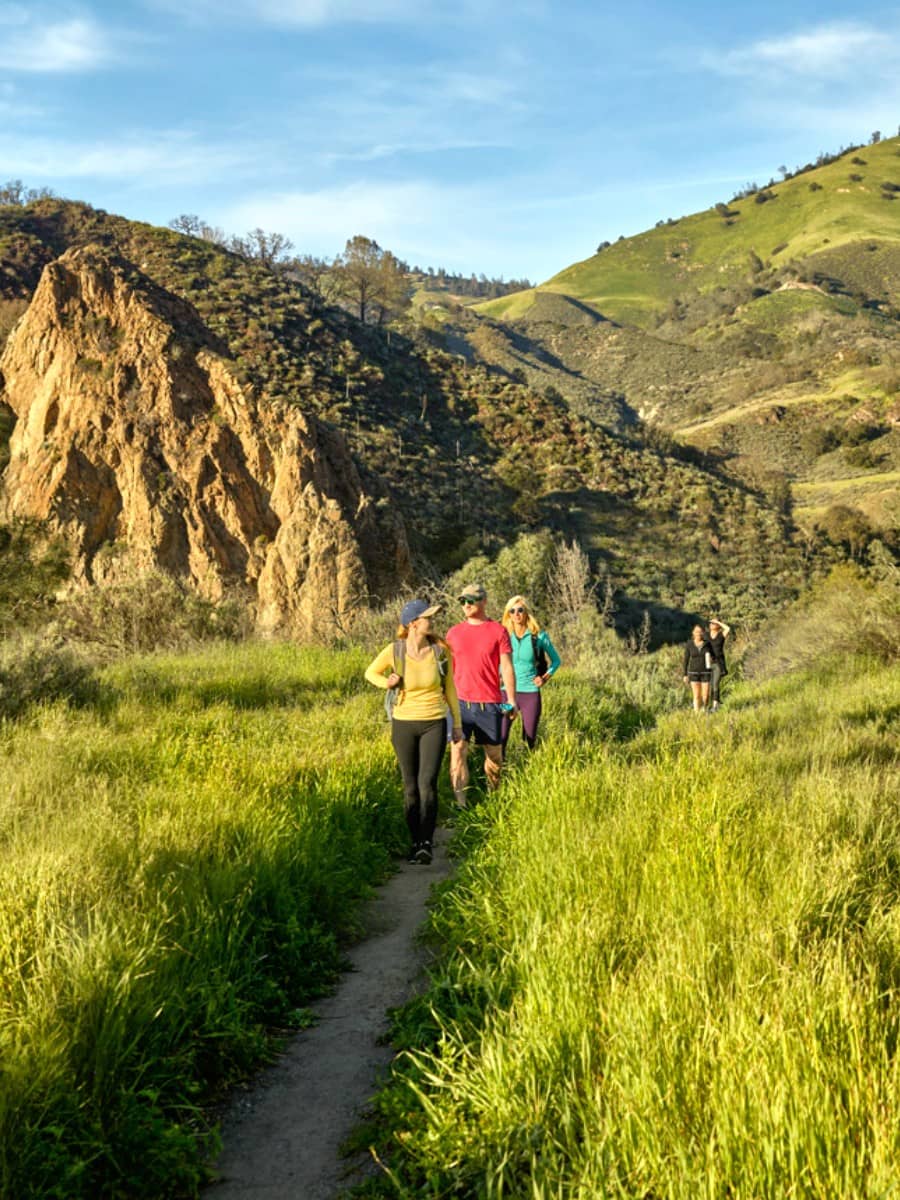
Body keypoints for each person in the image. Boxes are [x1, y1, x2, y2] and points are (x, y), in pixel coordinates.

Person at [365, 599, 462, 865]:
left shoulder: (441, 651)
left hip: (434, 722)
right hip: (403, 724)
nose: (433, 621)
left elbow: (450, 690)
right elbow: (369, 673)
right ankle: (414, 841)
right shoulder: (394, 651)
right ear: (413, 623)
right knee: (410, 788)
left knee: (427, 784)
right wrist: (388, 682)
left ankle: (426, 844)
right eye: (428, 617)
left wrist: (456, 725)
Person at [445, 583, 517, 807]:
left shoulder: (498, 631)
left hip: (490, 703)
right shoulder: (453, 633)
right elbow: (447, 670)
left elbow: (506, 667)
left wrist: (512, 700)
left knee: (494, 755)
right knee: (458, 751)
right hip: (460, 703)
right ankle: (461, 805)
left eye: (471, 600)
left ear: (483, 601)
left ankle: (494, 798)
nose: (466, 605)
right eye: (462, 601)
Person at [500, 594, 561, 752]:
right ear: (508, 614)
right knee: (501, 736)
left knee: (530, 739)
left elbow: (556, 661)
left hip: (530, 693)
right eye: (512, 611)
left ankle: (527, 771)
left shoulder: (538, 636)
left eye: (520, 610)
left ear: (526, 612)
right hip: (506, 693)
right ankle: (499, 773)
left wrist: (544, 678)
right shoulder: (503, 636)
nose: (516, 614)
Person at [682, 623, 713, 713]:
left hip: (706, 672)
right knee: (696, 696)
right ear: (693, 633)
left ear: (703, 633)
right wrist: (685, 674)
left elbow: (713, 655)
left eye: (700, 631)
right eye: (696, 631)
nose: (698, 633)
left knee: (706, 695)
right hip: (693, 673)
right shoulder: (689, 644)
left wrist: (712, 661)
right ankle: (697, 714)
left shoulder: (707, 644)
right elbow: (686, 659)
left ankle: (704, 709)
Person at [707, 617, 731, 712]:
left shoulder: (721, 635)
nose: (711, 624)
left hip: (718, 663)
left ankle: (715, 706)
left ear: (718, 625)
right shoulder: (706, 635)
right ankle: (715, 703)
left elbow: (728, 628)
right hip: (708, 663)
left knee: (715, 684)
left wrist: (718, 622)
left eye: (713, 623)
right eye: (710, 623)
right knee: (710, 685)